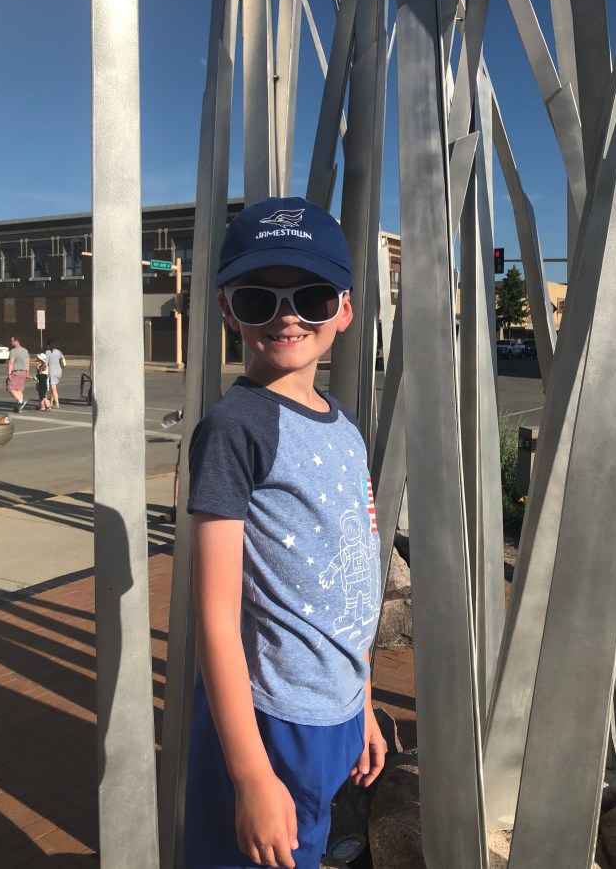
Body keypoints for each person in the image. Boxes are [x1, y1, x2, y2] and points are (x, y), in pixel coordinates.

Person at [184, 197, 385, 869]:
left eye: (312, 296)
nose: (287, 315)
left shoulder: (344, 424)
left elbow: (353, 578)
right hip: (273, 720)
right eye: (258, 298)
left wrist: (362, 704)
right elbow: (215, 616)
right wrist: (249, 775)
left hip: (334, 710)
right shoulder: (234, 428)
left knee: (306, 851)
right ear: (228, 309)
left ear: (344, 310)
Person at [6, 335, 30, 411]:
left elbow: (11, 362)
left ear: (16, 341)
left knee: (10, 388)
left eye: (12, 340)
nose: (11, 342)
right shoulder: (25, 350)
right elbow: (27, 362)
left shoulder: (13, 351)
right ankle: (19, 407)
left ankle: (20, 402)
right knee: (19, 389)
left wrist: (9, 373)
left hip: (16, 372)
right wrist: (27, 372)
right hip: (23, 372)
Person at [45, 340, 66, 409]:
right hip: (59, 370)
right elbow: (62, 359)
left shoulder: (47, 352)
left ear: (48, 345)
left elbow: (46, 363)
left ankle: (57, 403)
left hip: (52, 371)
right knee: (53, 387)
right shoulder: (59, 351)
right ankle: (51, 402)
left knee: (53, 389)